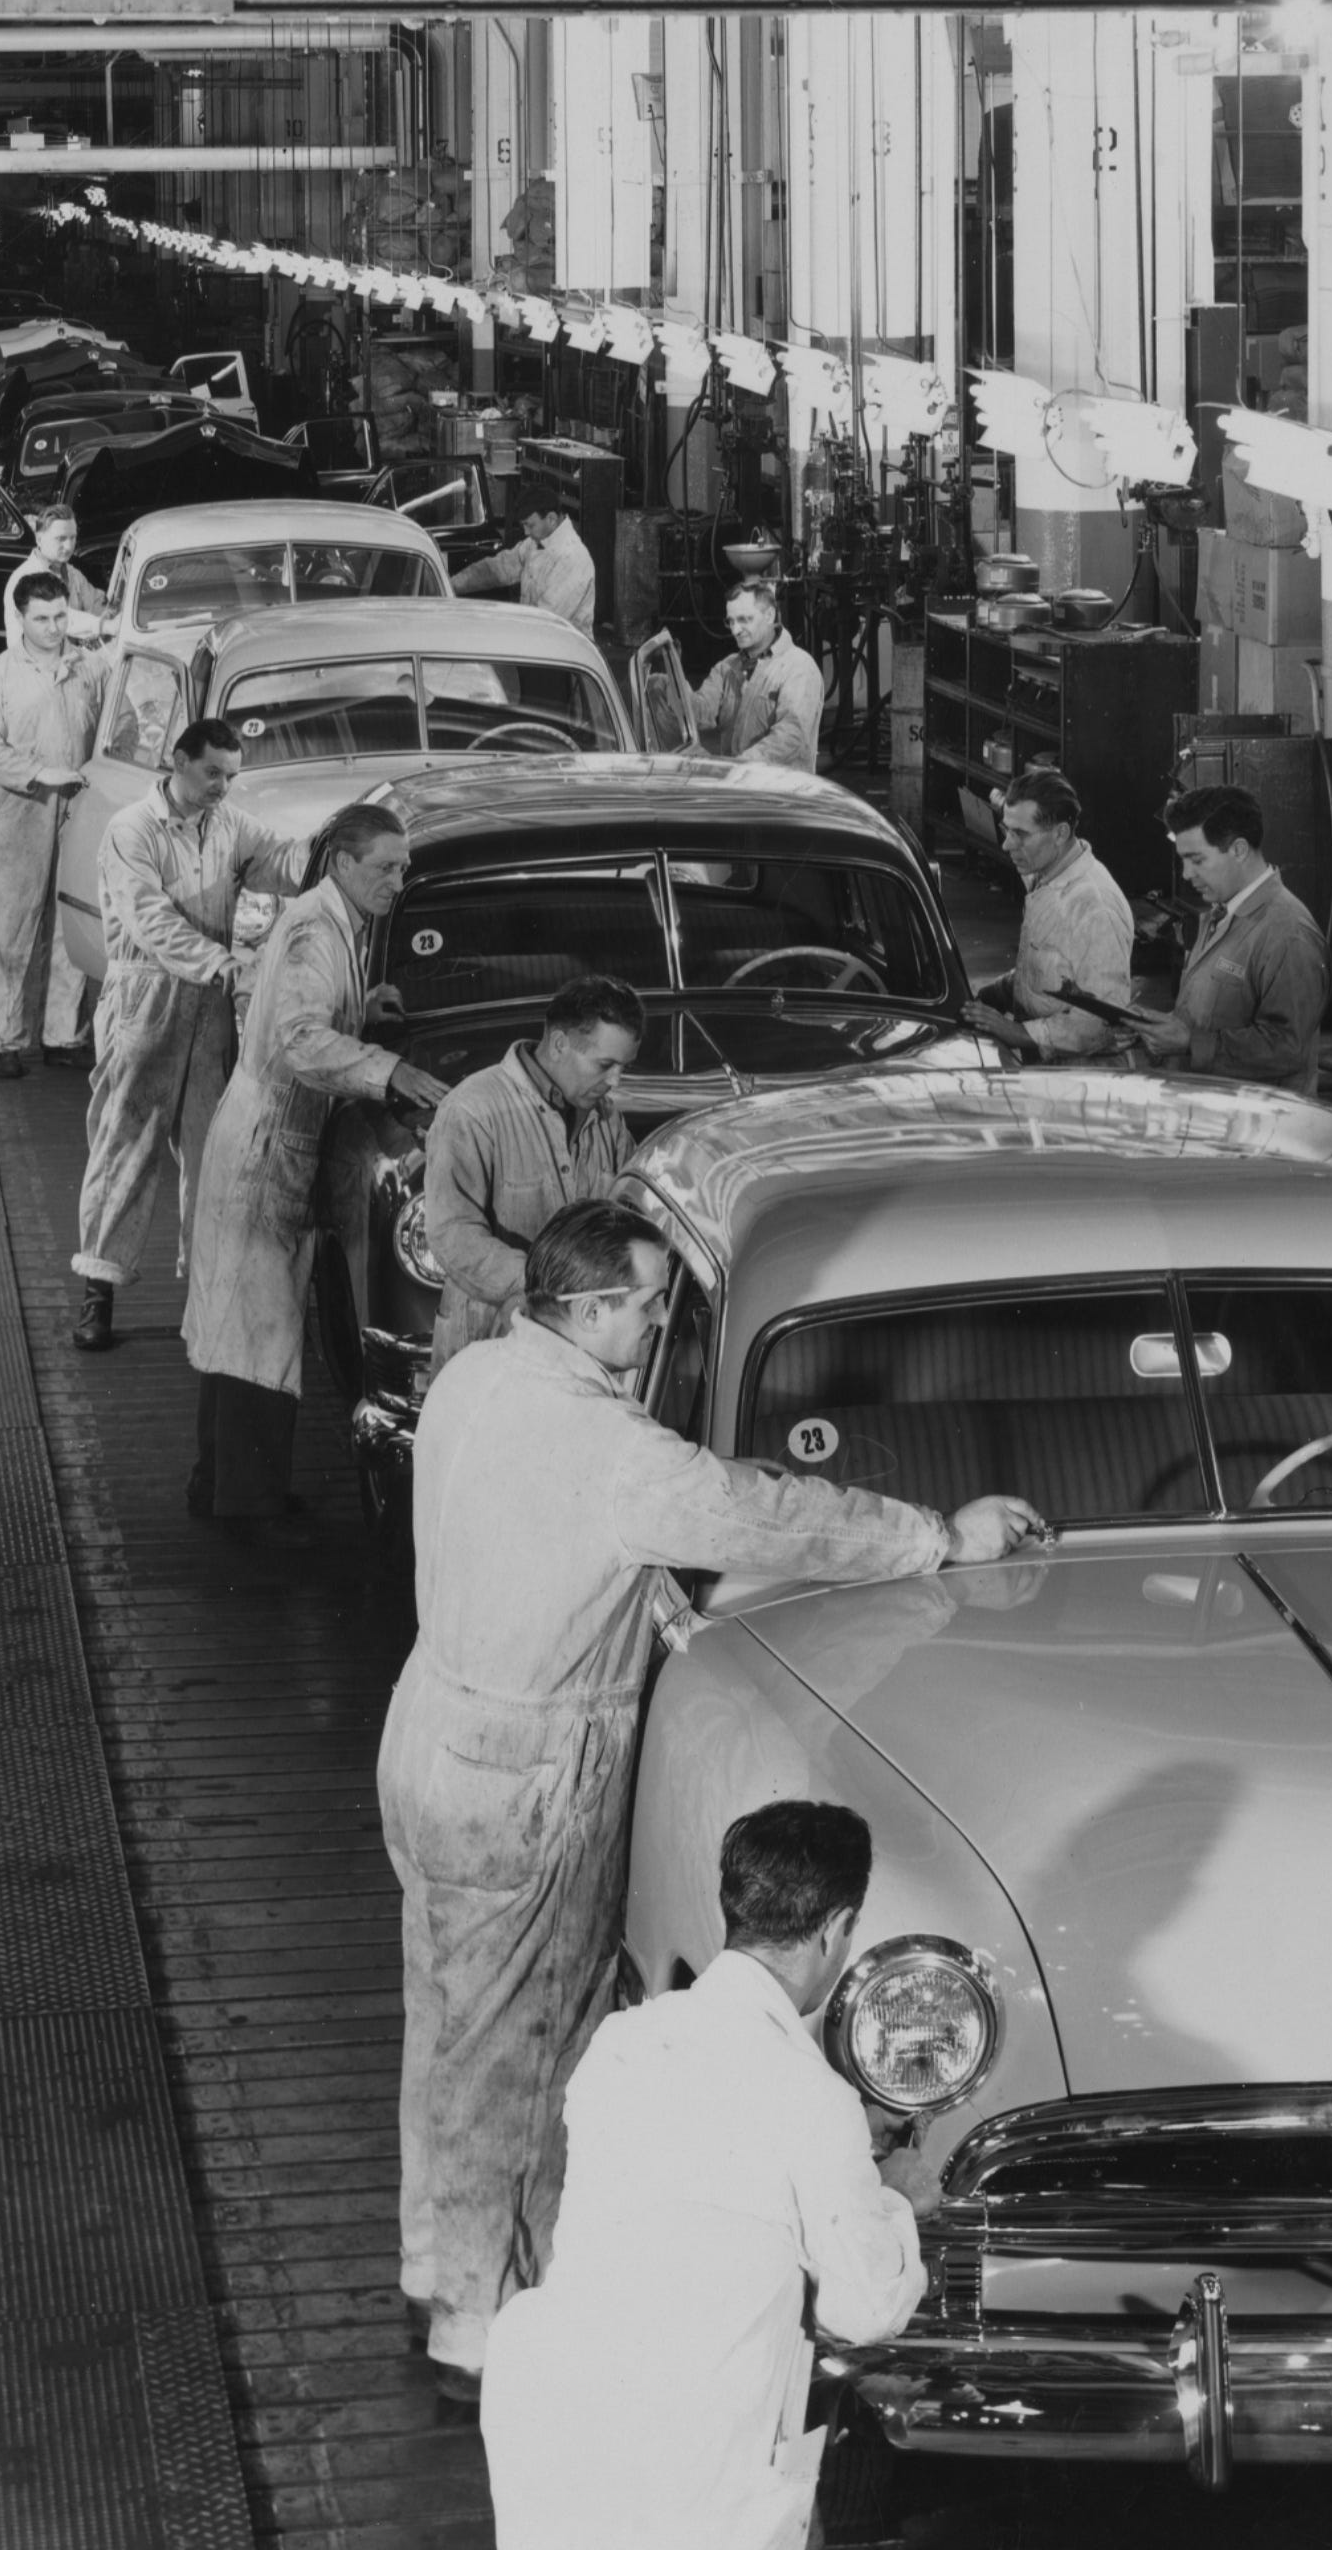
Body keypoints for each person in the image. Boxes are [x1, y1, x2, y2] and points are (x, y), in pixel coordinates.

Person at [385, 1200, 1041, 2393]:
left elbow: (546, 1552)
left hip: (430, 1731)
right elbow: (774, 1510)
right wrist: (941, 1532)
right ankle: (479, 2335)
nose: (653, 1322)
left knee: (446, 2018)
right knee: (522, 2045)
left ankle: (433, 2264)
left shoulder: (474, 1378)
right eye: (641, 1303)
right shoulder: (615, 1451)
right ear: (584, 1310)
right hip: (527, 1771)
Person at [478, 1801, 924, 2550]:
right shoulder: (816, 2101)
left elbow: (699, 2190)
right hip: (700, 2482)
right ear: (836, 1928)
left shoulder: (622, 2042)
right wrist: (897, 2199)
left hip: (562, 2438)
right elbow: (868, 2308)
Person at [185, 800, 449, 1523]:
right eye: (385, 868)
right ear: (342, 863)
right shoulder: (313, 928)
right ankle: (249, 1508)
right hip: (268, 1142)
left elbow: (305, 1015)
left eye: (404, 870)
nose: (398, 882)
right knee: (258, 1333)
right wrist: (386, 1069)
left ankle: (221, 1487)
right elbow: (299, 1039)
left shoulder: (338, 923)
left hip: (270, 1135)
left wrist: (365, 1008)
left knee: (241, 1323)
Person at [68, 719, 297, 1354]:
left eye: (232, 774)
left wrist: (336, 853)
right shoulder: (130, 831)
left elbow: (279, 861)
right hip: (147, 1000)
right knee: (125, 1144)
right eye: (213, 773)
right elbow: (151, 922)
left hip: (211, 1006)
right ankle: (99, 1292)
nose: (224, 786)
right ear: (178, 762)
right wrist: (225, 963)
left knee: (211, 1153)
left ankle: (205, 1296)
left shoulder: (228, 825)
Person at [415, 975, 643, 1377]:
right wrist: (544, 1286)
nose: (615, 1082)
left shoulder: (607, 1119)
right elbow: (452, 1233)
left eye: (623, 1068)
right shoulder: (471, 1111)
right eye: (605, 1065)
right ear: (558, 1045)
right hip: (487, 1354)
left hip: (577, 1354)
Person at [0, 567, 99, 1078]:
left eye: (61, 615)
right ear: (20, 618)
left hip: (77, 814)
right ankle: (5, 1042)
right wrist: (39, 773)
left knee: (72, 926)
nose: (54, 627)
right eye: (41, 618)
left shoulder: (90, 669)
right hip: (16, 814)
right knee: (9, 928)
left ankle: (63, 1035)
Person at [1129, 782, 1330, 1097]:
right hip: (1207, 1111)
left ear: (1238, 850)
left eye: (1197, 860)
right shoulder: (1222, 913)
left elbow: (1288, 1048)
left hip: (1259, 1128)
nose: (1185, 874)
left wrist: (1189, 1041)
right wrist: (1164, 1028)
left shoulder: (1289, 933)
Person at [965, 766, 1136, 1061]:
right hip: (1046, 1065)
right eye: (1007, 830)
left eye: (1020, 834)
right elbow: (1055, 967)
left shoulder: (1095, 909)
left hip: (1082, 1078)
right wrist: (1003, 989)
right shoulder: (1044, 872)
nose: (1007, 845)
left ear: (1060, 833)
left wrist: (1016, 1032)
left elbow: (1100, 1022)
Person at [689, 579, 824, 778]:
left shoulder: (799, 668)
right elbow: (702, 713)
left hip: (781, 795)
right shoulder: (727, 667)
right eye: (731, 621)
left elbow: (790, 736)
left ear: (769, 615)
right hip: (737, 787)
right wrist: (673, 690)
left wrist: (736, 767)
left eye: (744, 619)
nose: (735, 630)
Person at [454, 501, 597, 639]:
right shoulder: (536, 541)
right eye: (523, 525)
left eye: (530, 525)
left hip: (566, 652)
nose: (526, 532)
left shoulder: (572, 557)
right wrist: (452, 584)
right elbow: (498, 569)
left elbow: (545, 621)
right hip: (537, 640)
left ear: (551, 519)